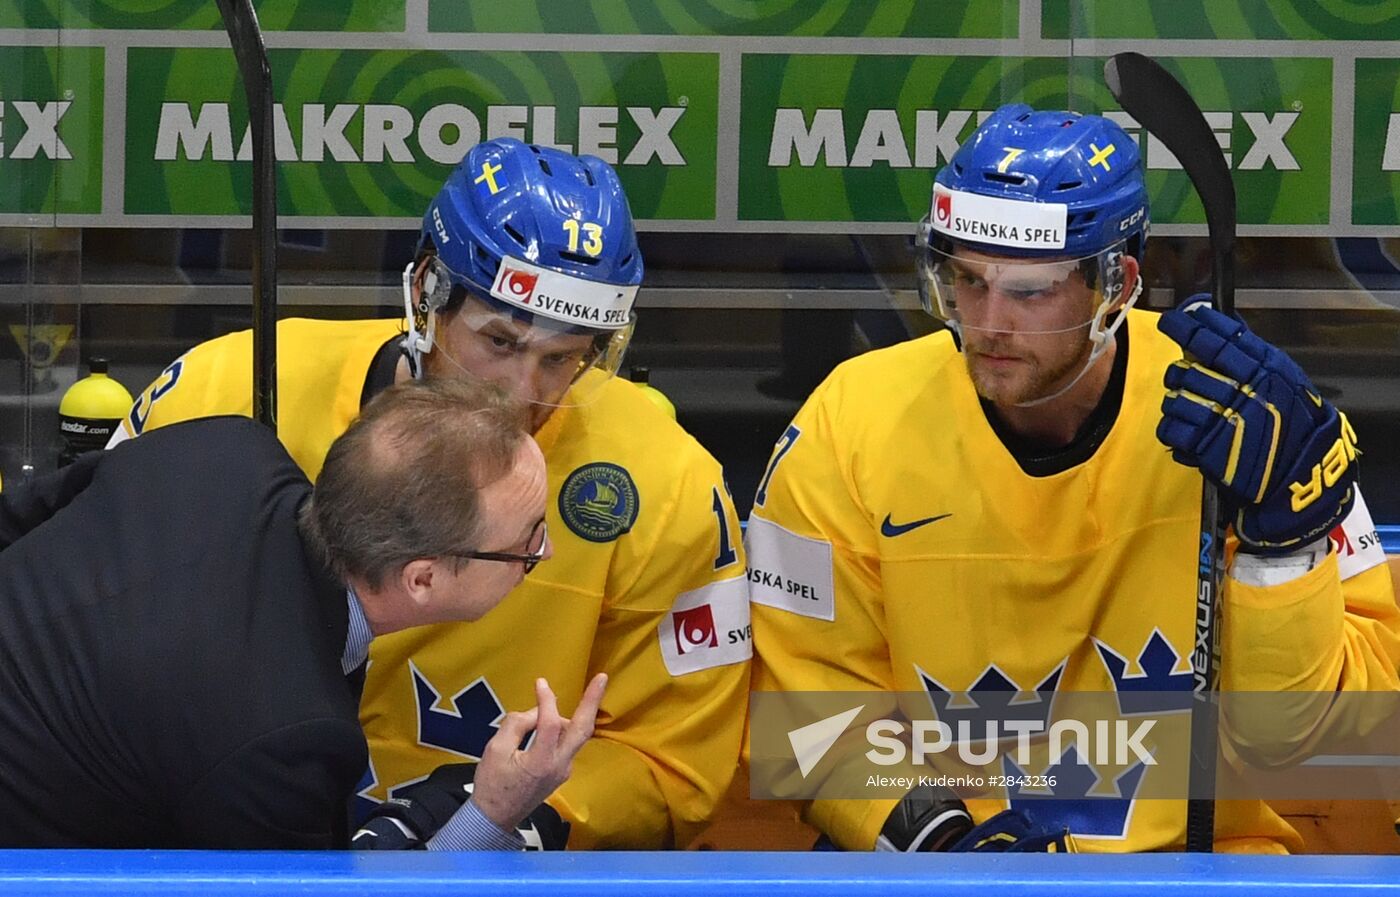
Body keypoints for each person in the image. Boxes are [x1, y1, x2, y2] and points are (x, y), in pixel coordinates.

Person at [744, 104, 1400, 853]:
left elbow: (1328, 746)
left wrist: (1284, 551)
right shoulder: (847, 421)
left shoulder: (1245, 417)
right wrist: (942, 841)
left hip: (1203, 871)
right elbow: (806, 704)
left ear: (1115, 284)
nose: (987, 322)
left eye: (1028, 291)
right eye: (965, 279)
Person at [108, 137, 751, 849]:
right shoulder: (226, 388)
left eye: (562, 359)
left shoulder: (669, 483)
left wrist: (524, 812)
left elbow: (672, 757)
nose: (520, 394)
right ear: (425, 291)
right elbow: (87, 625)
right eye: (500, 342)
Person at [0, 378, 606, 849]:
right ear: (421, 579)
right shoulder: (286, 740)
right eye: (527, 542)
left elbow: (19, 518)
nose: (545, 551)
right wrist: (491, 814)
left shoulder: (225, 445)